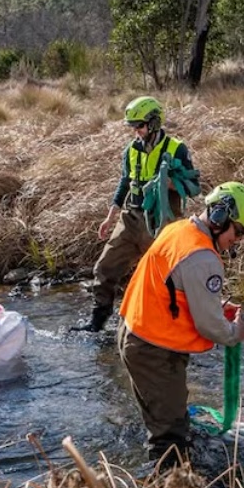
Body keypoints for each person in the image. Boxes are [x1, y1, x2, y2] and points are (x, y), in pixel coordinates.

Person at [117, 181, 244, 468]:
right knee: (170, 437)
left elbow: (172, 287)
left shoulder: (179, 230)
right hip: (155, 350)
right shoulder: (203, 257)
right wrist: (236, 333)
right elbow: (210, 326)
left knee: (166, 419)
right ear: (221, 217)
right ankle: (167, 487)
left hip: (135, 335)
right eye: (239, 231)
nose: (238, 240)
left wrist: (215, 305)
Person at [70, 95, 195, 332]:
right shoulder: (131, 150)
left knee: (165, 277)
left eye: (139, 125)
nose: (135, 131)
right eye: (133, 126)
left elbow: (193, 185)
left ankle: (172, 325)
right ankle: (97, 322)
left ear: (154, 122)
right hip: (130, 219)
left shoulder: (177, 149)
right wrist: (110, 217)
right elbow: (124, 183)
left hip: (161, 224)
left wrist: (168, 183)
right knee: (104, 268)